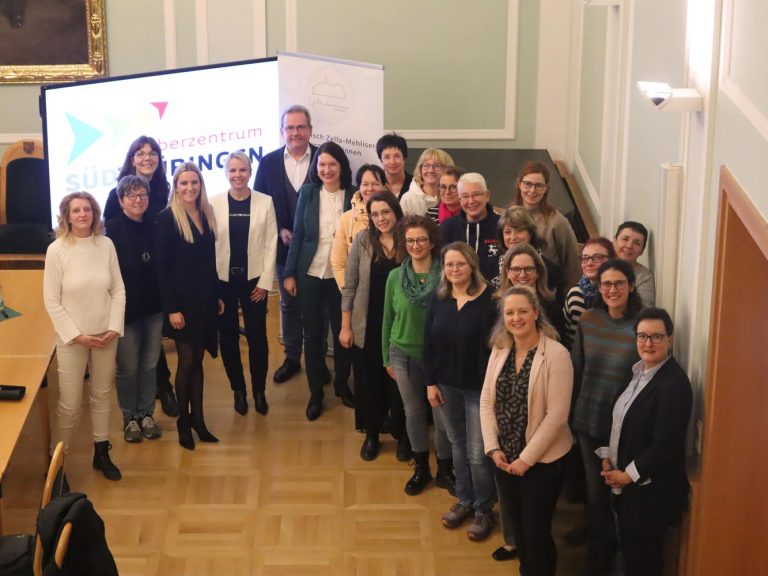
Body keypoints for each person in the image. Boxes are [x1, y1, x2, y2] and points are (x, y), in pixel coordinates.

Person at [480, 286, 573, 576]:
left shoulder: (556, 354)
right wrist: (493, 448)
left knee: (536, 533)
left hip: (542, 462)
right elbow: (486, 400)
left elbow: (557, 417)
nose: (516, 318)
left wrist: (525, 460)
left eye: (522, 311)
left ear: (535, 313)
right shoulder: (499, 348)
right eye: (509, 312)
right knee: (518, 531)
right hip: (504, 460)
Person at [597, 307, 692, 576]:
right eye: (642, 336)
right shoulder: (638, 371)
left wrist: (627, 476)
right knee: (630, 553)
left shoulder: (674, 384)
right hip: (627, 488)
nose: (648, 343)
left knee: (644, 562)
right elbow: (618, 420)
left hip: (650, 494)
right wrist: (606, 454)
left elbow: (666, 444)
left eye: (656, 337)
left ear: (670, 339)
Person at [43, 192, 125, 480]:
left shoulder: (106, 245)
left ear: (95, 213)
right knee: (70, 402)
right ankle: (56, 465)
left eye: (87, 209)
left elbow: (117, 290)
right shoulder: (57, 250)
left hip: (106, 334)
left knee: (102, 396)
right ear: (66, 216)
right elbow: (51, 301)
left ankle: (101, 452)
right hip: (72, 339)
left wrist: (114, 327)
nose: (82, 215)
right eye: (76, 210)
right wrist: (77, 336)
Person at [571, 258, 643, 575]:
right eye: (606, 284)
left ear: (630, 286)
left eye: (619, 283)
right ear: (599, 288)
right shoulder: (588, 320)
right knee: (595, 494)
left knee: (622, 494)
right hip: (588, 422)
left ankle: (622, 558)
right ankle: (598, 556)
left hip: (625, 429)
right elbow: (576, 370)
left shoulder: (641, 327)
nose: (612, 289)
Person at [425, 242, 497, 541]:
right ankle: (465, 500)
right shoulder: (439, 298)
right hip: (445, 386)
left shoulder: (490, 301)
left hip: (478, 389)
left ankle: (484, 510)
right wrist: (430, 383)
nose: (455, 270)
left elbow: (495, 350)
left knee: (479, 454)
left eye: (460, 264)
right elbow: (427, 343)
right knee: (457, 444)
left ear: (472, 265)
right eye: (449, 265)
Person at [103, 135, 178, 418]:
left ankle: (157, 394)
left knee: (150, 351)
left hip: (155, 288)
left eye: (153, 153)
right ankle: (135, 410)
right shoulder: (115, 195)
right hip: (127, 293)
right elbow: (111, 239)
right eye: (141, 153)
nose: (148, 157)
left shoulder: (163, 190)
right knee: (132, 360)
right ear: (132, 158)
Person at [283, 141, 356, 421]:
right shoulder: (309, 192)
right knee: (312, 336)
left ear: (341, 167)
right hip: (310, 273)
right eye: (321, 164)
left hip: (342, 278)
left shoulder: (354, 194)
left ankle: (341, 385)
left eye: (332, 164)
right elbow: (299, 233)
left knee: (343, 335)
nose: (326, 169)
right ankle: (316, 392)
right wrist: (289, 272)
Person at [382, 215, 454, 495]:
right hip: (402, 354)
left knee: (441, 415)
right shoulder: (394, 277)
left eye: (421, 239)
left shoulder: (447, 273)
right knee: (413, 413)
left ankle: (445, 470)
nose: (415, 245)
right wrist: (386, 357)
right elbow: (387, 319)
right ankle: (421, 467)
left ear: (432, 241)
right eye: (410, 240)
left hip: (440, 357)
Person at [155, 163, 223, 450]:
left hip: (205, 300)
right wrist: (172, 309)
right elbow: (163, 269)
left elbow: (210, 261)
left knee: (199, 361)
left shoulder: (206, 214)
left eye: (194, 182)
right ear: (176, 186)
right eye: (183, 183)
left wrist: (217, 295)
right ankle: (184, 421)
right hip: (181, 304)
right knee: (187, 362)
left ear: (200, 185)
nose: (189, 188)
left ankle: (199, 419)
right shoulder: (167, 218)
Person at [340, 192, 407, 461]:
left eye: (385, 212)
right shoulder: (362, 241)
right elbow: (350, 284)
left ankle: (403, 435)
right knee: (369, 382)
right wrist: (346, 326)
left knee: (400, 383)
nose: (380, 219)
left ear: (396, 211)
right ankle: (371, 434)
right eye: (375, 214)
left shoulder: (409, 240)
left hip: (401, 325)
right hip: (367, 323)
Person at [254, 105, 317, 384]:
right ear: (282, 131)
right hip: (282, 251)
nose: (295, 132)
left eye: (300, 127)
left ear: (310, 130)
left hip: (318, 251)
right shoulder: (268, 163)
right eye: (290, 128)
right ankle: (292, 357)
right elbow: (259, 205)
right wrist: (279, 230)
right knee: (289, 304)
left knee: (317, 305)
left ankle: (316, 360)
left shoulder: (323, 159)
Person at [212, 151, 277, 416]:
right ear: (227, 174)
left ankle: (259, 390)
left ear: (250, 173)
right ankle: (238, 390)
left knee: (258, 338)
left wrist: (265, 282)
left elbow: (271, 243)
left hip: (254, 282)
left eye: (243, 170)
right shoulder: (213, 203)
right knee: (227, 338)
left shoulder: (265, 202)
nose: (238, 175)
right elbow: (209, 246)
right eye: (233, 170)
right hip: (224, 282)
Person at [105, 176, 163, 444]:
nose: (138, 200)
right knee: (127, 368)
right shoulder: (111, 231)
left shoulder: (156, 224)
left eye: (142, 195)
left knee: (150, 365)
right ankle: (130, 417)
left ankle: (146, 413)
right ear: (120, 200)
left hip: (153, 309)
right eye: (132, 196)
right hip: (124, 312)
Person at [513, 161, 581, 289]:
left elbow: (572, 267)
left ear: (546, 189)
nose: (532, 190)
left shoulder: (558, 222)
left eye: (539, 186)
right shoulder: (508, 217)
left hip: (548, 292)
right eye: (528, 184)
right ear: (519, 184)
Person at [331, 164, 387, 289]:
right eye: (365, 184)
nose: (370, 188)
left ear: (384, 186)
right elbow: (338, 263)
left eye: (375, 183)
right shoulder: (346, 219)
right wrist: (349, 294)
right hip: (357, 293)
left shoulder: (395, 217)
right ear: (359, 187)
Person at [440, 172, 502, 283]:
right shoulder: (447, 227)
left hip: (495, 294)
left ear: (487, 195)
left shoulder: (502, 226)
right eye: (465, 196)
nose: (471, 201)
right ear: (460, 199)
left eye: (476, 195)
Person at [499, 243, 566, 342]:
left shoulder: (552, 307)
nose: (522, 275)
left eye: (528, 269)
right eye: (516, 269)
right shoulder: (496, 305)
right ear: (508, 272)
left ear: (538, 272)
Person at [563, 237, 616, 348]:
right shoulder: (575, 294)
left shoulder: (618, 294)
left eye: (597, 257)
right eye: (585, 258)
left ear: (612, 260)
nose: (589, 263)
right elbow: (567, 336)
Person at [496, 206, 563, 294]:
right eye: (508, 232)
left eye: (519, 231)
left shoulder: (549, 270)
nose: (513, 237)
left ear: (531, 234)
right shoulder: (494, 264)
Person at [400, 148, 455, 221]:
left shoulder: (453, 196)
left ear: (448, 170)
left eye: (437, 166)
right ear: (420, 169)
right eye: (426, 166)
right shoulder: (408, 199)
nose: (431, 170)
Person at [613, 221, 656, 307]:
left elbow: (644, 310)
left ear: (642, 251)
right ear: (614, 241)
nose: (629, 246)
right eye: (625, 239)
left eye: (637, 243)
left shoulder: (644, 276)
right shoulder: (600, 264)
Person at [375, 133, 412, 200]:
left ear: (404, 158)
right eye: (387, 157)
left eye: (397, 156)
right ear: (381, 160)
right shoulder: (375, 184)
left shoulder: (415, 185)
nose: (392, 162)